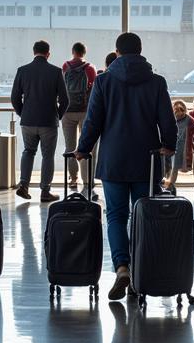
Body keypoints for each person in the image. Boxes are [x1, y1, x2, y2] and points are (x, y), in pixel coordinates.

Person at [74, 32, 176, 301]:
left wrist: (83, 149)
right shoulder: (156, 82)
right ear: (140, 52)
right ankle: (142, 271)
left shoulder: (104, 81)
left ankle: (122, 268)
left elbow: (93, 120)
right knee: (145, 216)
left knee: (116, 217)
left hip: (114, 160)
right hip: (147, 160)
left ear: (116, 53)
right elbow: (167, 119)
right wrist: (169, 145)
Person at [12, 39, 69, 203]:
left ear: (33, 52)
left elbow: (15, 97)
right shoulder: (56, 71)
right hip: (48, 121)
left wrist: (23, 113)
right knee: (47, 155)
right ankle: (45, 191)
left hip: (28, 121)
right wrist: (56, 115)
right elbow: (65, 100)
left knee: (28, 151)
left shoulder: (22, 71)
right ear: (48, 54)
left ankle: (23, 185)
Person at [61, 41, 97, 188]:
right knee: (86, 146)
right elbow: (95, 91)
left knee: (70, 146)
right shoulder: (90, 68)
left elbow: (62, 88)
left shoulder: (65, 66)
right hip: (85, 112)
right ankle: (87, 179)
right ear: (84, 53)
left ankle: (73, 178)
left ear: (73, 51)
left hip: (68, 112)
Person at [163, 99, 194, 192]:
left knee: (170, 167)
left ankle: (168, 186)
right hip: (176, 147)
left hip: (176, 147)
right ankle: (169, 186)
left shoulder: (169, 118)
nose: (179, 113)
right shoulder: (188, 119)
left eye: (180, 110)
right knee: (171, 167)